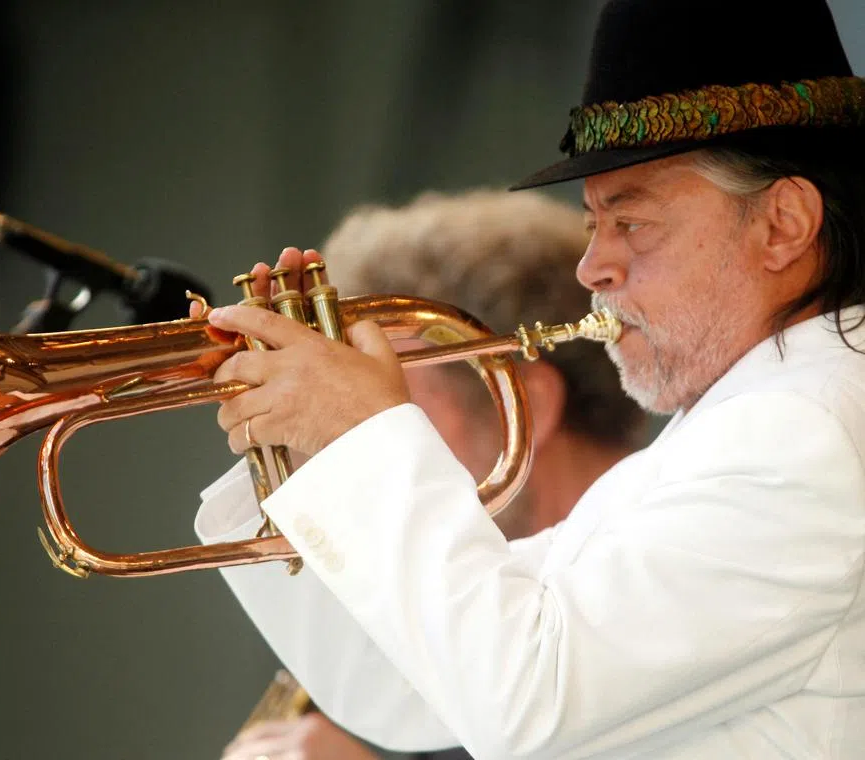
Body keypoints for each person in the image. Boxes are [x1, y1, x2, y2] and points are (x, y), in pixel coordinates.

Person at [195, 0, 865, 757]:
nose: (593, 266)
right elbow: (406, 691)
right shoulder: (751, 422)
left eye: (632, 223)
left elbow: (523, 700)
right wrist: (300, 460)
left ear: (783, 223)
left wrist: (363, 435)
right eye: (593, 224)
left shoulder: (797, 437)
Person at [209, 189, 648, 760]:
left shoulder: (653, 575)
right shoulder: (421, 634)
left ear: (523, 405)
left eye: (382, 398)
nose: (335, 433)